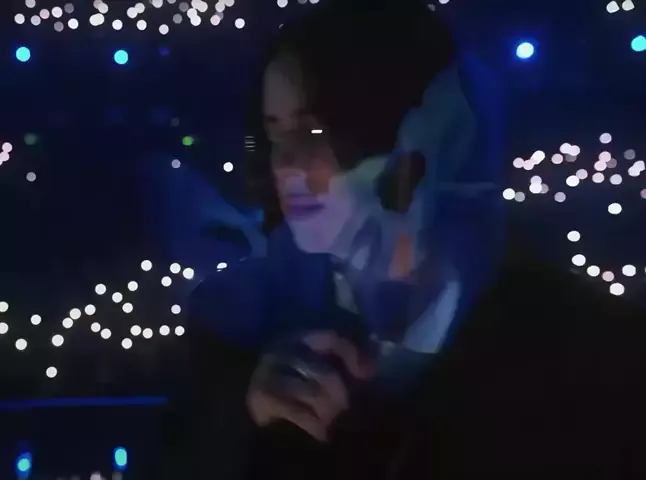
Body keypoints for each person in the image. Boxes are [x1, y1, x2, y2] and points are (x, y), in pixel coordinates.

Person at [150, 1, 646, 479]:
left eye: (317, 130)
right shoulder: (248, 325)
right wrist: (247, 419)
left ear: (418, 135)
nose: (287, 164)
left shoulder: (578, 352)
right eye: (276, 133)